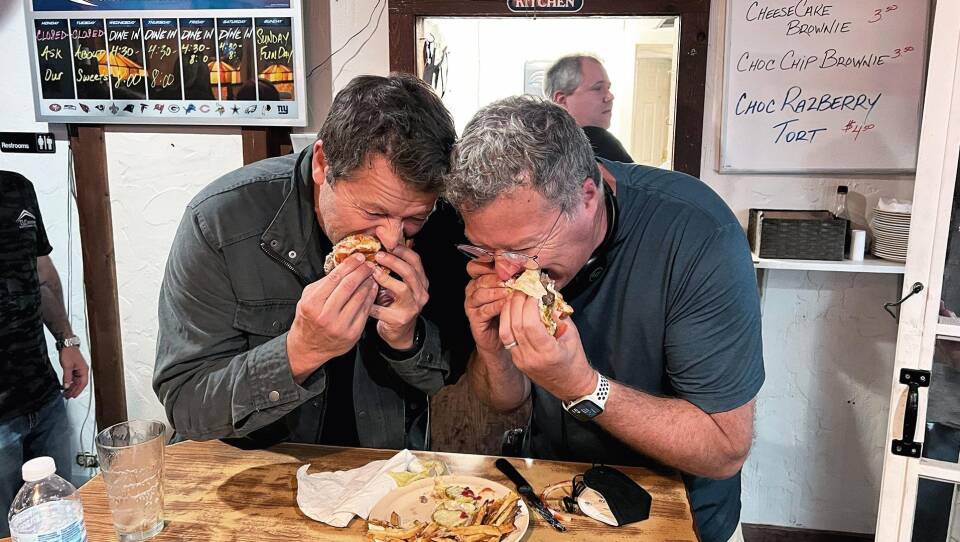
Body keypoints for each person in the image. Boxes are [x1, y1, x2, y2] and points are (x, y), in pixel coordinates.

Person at [446, 96, 763, 542]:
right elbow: (504, 402)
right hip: (556, 503)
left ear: (588, 196)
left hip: (678, 518)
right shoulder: (513, 252)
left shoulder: (699, 237)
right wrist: (494, 351)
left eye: (523, 249)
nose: (505, 271)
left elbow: (724, 449)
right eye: (485, 250)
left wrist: (580, 387)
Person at [153, 73, 470, 451]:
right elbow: (186, 405)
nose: (391, 238)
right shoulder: (221, 221)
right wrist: (301, 350)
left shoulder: (443, 224)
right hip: (252, 467)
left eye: (413, 218)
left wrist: (406, 340)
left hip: (379, 466)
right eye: (373, 211)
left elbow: (441, 378)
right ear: (323, 164)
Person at [1, 171, 89, 538]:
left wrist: (67, 342)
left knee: (62, 519)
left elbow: (41, 274)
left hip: (43, 396)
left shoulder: (17, 187)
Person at [545, 54, 633, 162]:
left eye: (608, 88)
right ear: (562, 100)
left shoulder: (536, 149)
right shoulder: (601, 143)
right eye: (597, 88)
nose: (610, 96)